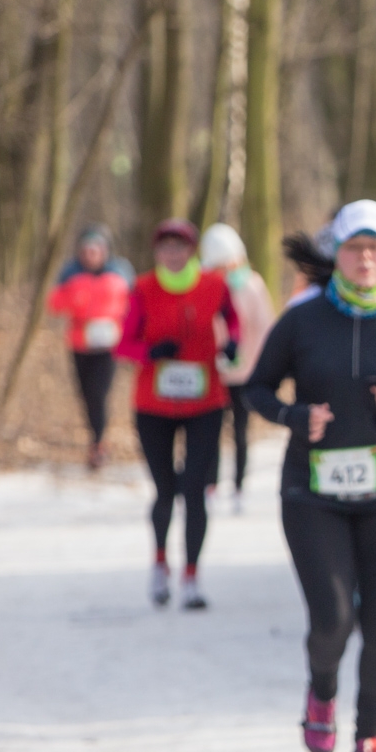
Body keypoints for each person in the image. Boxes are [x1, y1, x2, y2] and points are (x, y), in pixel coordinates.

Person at [245, 201, 376, 752]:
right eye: (354, 248)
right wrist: (294, 415)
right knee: (331, 622)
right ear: (338, 255)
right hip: (312, 494)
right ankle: (321, 692)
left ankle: (368, 739)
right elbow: (255, 388)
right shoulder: (302, 320)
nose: (365, 258)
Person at [116, 218, 241, 610]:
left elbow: (234, 321)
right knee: (165, 491)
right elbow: (123, 344)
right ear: (157, 252)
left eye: (181, 246)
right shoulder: (142, 288)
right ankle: (158, 565)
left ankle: (191, 576)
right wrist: (149, 353)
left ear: (191, 251)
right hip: (153, 404)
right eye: (166, 247)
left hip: (205, 402)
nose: (173, 253)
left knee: (195, 492)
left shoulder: (214, 285)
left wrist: (232, 344)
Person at [200, 223, 276, 506]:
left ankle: (240, 484)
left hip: (245, 371)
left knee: (240, 430)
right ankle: (211, 482)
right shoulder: (207, 286)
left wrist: (260, 364)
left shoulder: (252, 285)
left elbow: (266, 327)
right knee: (212, 429)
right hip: (215, 371)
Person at [48, 225, 136, 469]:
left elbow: (133, 305)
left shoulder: (120, 273)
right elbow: (54, 304)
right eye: (86, 250)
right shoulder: (71, 274)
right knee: (86, 395)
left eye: (95, 250)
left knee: (99, 394)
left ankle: (98, 444)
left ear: (105, 251)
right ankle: (95, 437)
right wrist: (76, 302)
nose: (90, 255)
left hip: (108, 347)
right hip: (79, 345)